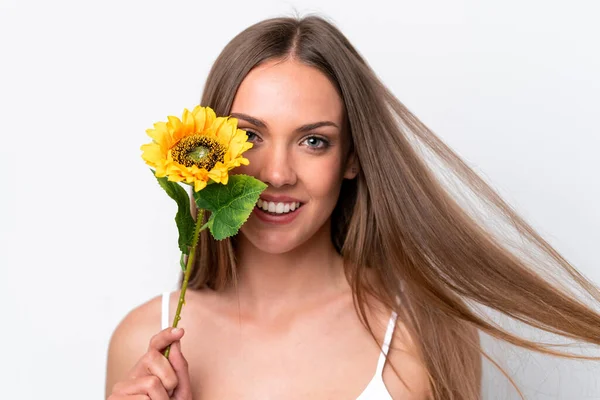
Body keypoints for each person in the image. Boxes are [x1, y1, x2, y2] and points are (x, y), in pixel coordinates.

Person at [105, 15, 600, 400]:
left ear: (352, 158)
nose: (276, 173)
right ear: (206, 147)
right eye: (250, 135)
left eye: (314, 141)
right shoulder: (145, 340)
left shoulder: (422, 335)